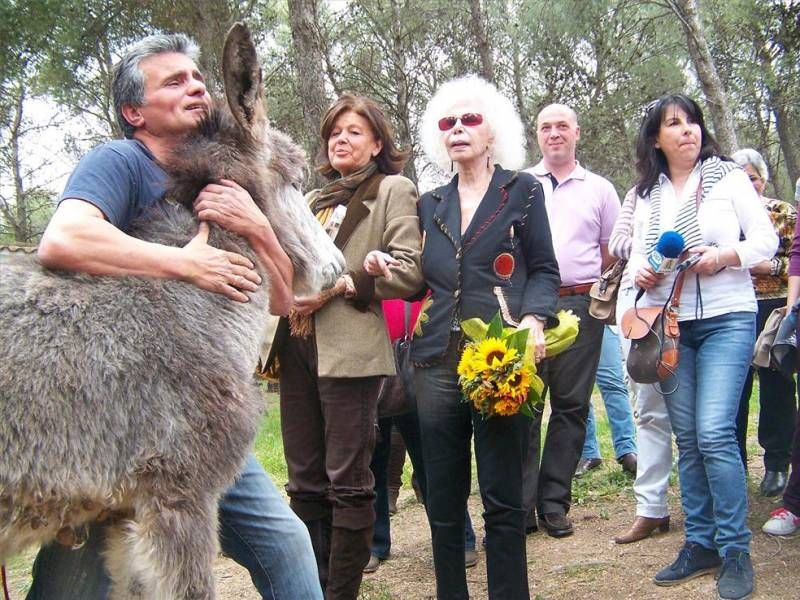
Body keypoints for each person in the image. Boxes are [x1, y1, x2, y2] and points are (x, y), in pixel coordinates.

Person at [28, 33, 322, 600]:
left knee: (286, 543)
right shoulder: (121, 161)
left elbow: (283, 302)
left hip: (201, 418)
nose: (196, 88)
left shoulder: (220, 175)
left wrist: (258, 226)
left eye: (196, 78)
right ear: (134, 112)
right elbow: (62, 239)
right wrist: (184, 263)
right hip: (113, 423)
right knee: (73, 584)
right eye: (174, 81)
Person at [413, 74, 560, 600]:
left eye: (469, 119)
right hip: (434, 363)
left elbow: (544, 269)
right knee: (444, 502)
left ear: (492, 129)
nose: (457, 129)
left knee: (502, 500)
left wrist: (534, 320)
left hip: (498, 360)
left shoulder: (523, 191)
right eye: (447, 122)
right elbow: (418, 278)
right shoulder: (429, 202)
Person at [275, 94, 423, 600]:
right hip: (296, 345)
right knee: (305, 482)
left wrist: (346, 284)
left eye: (354, 131)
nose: (341, 139)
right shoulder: (312, 202)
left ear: (377, 143)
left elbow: (409, 269)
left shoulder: (393, 190)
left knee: (348, 481)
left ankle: (341, 594)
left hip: (351, 349)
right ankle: (313, 589)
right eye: (335, 132)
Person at [629, 94, 776, 600]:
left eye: (691, 121)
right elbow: (634, 264)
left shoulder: (728, 177)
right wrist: (642, 272)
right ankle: (701, 543)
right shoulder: (646, 194)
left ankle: (736, 549)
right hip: (670, 326)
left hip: (727, 319)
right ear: (656, 138)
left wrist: (723, 256)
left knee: (714, 433)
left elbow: (767, 241)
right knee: (687, 438)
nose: (687, 130)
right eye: (674, 123)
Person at [521, 103, 620, 538]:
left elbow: (610, 253)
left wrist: (590, 298)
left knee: (572, 406)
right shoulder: (520, 185)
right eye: (546, 127)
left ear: (577, 132)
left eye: (562, 126)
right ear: (537, 135)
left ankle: (554, 503)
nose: (554, 133)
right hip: (527, 311)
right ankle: (520, 507)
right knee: (522, 406)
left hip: (581, 306)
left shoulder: (599, 189)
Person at [365, 299, 478, 575]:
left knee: (433, 462)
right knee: (372, 464)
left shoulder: (419, 255)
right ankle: (373, 544)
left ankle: (459, 539)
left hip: (417, 362)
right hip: (371, 364)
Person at [732, 148, 797, 496]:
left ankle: (776, 463)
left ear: (763, 179)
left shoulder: (783, 213)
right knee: (733, 391)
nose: (748, 185)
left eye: (753, 178)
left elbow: (796, 263)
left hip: (774, 309)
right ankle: (733, 465)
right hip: (732, 308)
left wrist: (766, 266)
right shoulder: (725, 216)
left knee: (777, 388)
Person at [611, 187, 674, 544]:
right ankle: (651, 507)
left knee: (703, 419)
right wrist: (642, 258)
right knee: (649, 410)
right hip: (642, 308)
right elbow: (617, 241)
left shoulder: (710, 183)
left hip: (700, 306)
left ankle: (710, 505)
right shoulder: (640, 192)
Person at [763, 217, 800, 535]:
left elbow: (793, 254)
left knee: (780, 396)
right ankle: (795, 503)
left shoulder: (781, 212)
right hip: (795, 308)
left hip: (777, 301)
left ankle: (780, 474)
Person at [575, 325, 637, 477]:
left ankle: (627, 450)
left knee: (613, 384)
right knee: (579, 388)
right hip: (568, 312)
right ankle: (588, 452)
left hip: (601, 315)